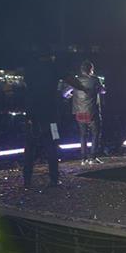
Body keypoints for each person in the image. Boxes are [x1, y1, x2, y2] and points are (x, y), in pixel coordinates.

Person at [22, 50, 86, 188]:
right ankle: (54, 178)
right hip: (50, 112)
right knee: (52, 143)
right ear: (51, 56)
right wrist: (84, 88)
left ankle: (27, 179)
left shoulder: (30, 68)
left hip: (31, 112)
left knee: (30, 145)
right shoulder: (54, 67)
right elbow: (72, 80)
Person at [69, 60, 106, 165]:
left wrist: (72, 94)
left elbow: (65, 93)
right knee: (95, 134)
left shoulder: (75, 80)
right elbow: (103, 91)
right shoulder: (95, 80)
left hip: (79, 112)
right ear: (91, 70)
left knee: (83, 135)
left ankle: (83, 159)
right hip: (91, 112)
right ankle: (92, 158)